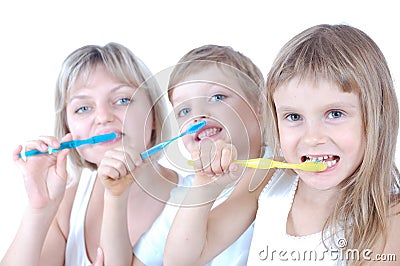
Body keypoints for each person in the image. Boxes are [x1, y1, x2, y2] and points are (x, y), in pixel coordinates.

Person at [166, 24, 400, 265]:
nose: (312, 138)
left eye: (335, 114)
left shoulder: (390, 217)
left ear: (377, 115)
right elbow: (181, 260)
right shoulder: (269, 178)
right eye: (294, 117)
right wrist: (205, 186)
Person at [0, 42, 178, 266]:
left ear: (153, 114)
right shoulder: (68, 200)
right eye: (83, 108)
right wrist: (39, 209)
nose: (103, 116)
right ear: (68, 130)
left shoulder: (198, 197)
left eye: (122, 100)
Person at [132, 44, 275, 265]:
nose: (197, 115)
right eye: (184, 111)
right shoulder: (183, 196)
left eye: (217, 97)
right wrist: (203, 185)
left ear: (259, 107)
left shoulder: (282, 172)